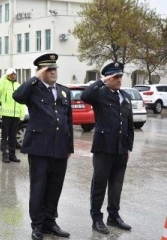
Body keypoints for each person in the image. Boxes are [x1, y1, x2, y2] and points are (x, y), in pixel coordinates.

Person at [13, 53, 73, 240]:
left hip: (60, 147)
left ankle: (50, 222)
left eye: (55, 68)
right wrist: (36, 77)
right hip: (39, 147)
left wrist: (69, 147)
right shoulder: (33, 89)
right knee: (39, 187)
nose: (53, 72)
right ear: (41, 70)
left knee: (55, 187)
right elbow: (18, 95)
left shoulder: (64, 91)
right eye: (49, 69)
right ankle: (37, 225)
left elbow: (68, 121)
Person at [81, 62, 134, 234]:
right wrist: (101, 80)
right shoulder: (100, 94)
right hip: (103, 148)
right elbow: (85, 95)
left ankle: (114, 216)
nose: (119, 79)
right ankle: (96, 218)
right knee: (99, 184)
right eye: (115, 76)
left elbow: (129, 124)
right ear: (108, 78)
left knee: (116, 185)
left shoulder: (125, 96)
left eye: (120, 76)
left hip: (121, 149)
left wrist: (128, 148)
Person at [0, 68, 25, 163]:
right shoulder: (4, 84)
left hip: (16, 115)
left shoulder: (18, 85)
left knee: (12, 136)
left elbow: (21, 101)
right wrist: (4, 76)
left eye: (14, 74)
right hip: (6, 114)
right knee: (4, 136)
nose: (13, 75)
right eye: (11, 74)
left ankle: (12, 155)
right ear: (8, 75)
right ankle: (5, 155)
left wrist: (22, 114)